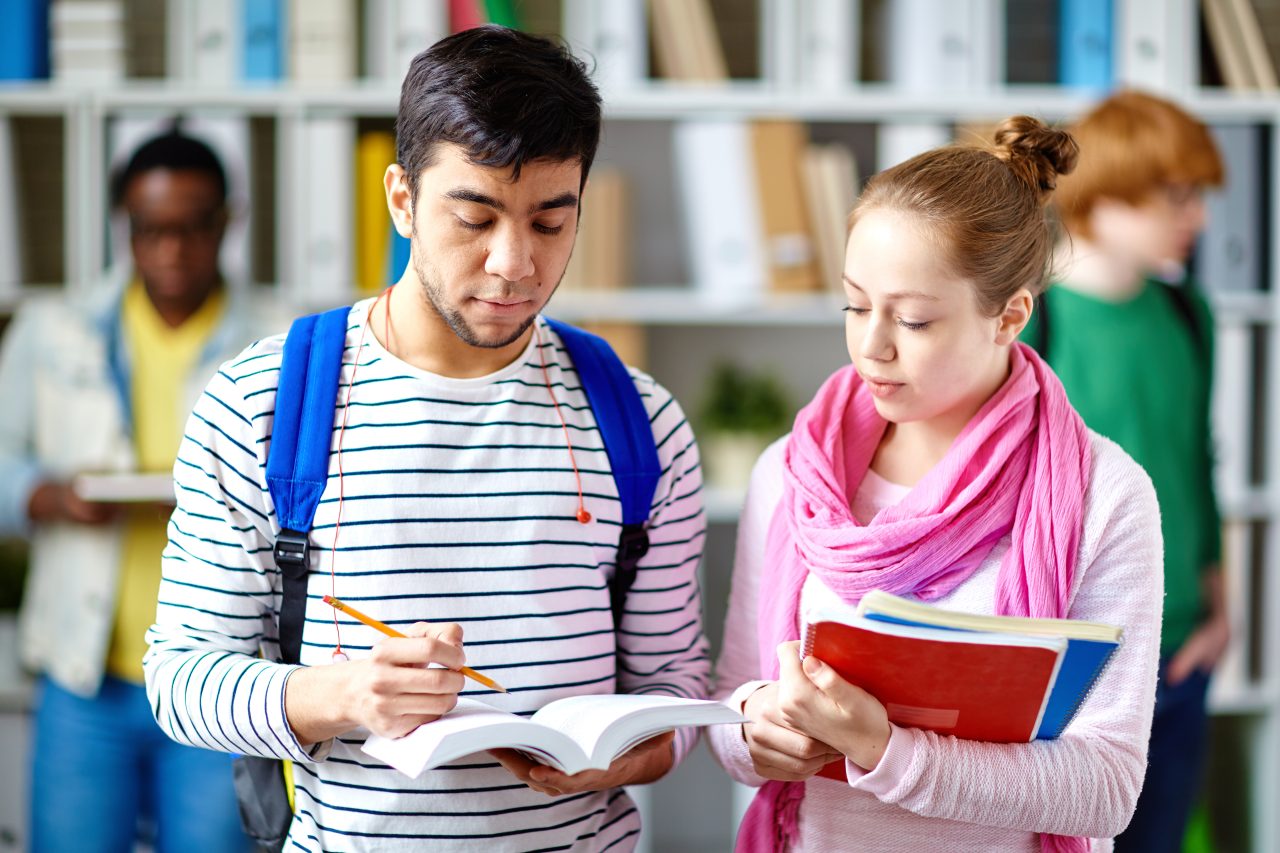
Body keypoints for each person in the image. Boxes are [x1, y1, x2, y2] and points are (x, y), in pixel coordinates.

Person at [143, 25, 710, 852]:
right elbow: (182, 679)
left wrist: (624, 758)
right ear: (402, 198)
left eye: (552, 222)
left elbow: (674, 687)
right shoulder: (260, 404)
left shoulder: (641, 422)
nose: (514, 263)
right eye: (475, 217)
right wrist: (339, 695)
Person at [707, 117, 1164, 852]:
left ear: (1010, 314)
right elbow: (728, 713)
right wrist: (756, 728)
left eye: (913, 320)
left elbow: (1105, 786)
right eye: (856, 305)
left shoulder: (1103, 495)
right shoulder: (791, 472)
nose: (871, 346)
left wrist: (887, 752)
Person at [0, 131, 255, 851]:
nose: (170, 249)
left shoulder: (277, 338)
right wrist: (47, 496)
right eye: (150, 230)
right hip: (86, 680)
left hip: (220, 678)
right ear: (126, 226)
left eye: (190, 227)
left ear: (226, 222)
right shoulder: (55, 332)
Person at [1026, 91, 1229, 853]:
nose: (1198, 218)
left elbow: (1196, 458)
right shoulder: (1035, 320)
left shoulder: (1188, 313)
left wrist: (1220, 606)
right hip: (1078, 655)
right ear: (1104, 197)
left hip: (1181, 653)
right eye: (1176, 196)